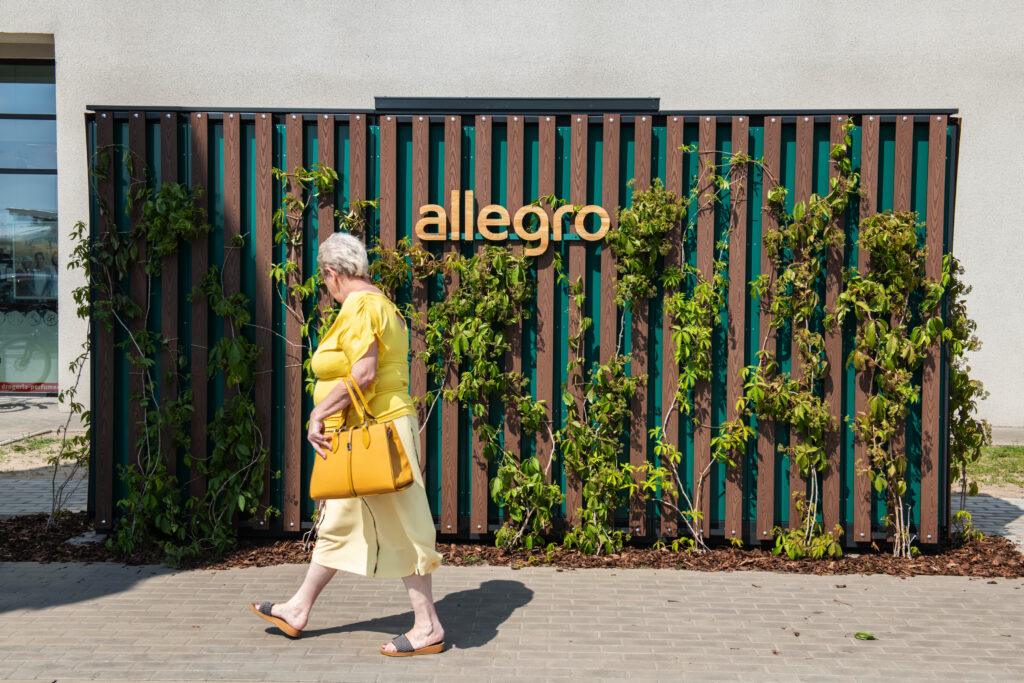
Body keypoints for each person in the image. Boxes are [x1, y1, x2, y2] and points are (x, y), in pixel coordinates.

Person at [248, 231, 446, 657]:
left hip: (380, 435)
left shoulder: (361, 307)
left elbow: (364, 374)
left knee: (407, 525)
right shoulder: (378, 303)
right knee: (337, 522)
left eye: (325, 282)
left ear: (333, 274)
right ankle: (298, 609)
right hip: (366, 434)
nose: (327, 290)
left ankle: (428, 625)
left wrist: (318, 413)